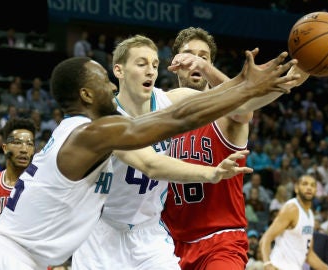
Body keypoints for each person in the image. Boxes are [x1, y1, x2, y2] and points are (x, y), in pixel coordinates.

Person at [0, 45, 299, 268]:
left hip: (45, 251)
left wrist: (243, 85)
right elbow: (174, 125)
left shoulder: (85, 129)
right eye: (102, 80)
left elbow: (201, 108)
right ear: (86, 95)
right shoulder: (89, 133)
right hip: (15, 254)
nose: (110, 86)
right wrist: (245, 87)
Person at [72, 35, 251, 270]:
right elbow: (151, 165)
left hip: (150, 233)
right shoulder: (105, 119)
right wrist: (212, 173)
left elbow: (241, 108)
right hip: (103, 230)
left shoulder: (169, 102)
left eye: (155, 65)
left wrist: (269, 87)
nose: (150, 71)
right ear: (119, 70)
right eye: (141, 64)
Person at [161, 27, 308, 270]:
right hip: (167, 242)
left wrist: (205, 68)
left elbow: (243, 109)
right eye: (189, 54)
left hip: (221, 241)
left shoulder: (225, 113)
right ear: (175, 61)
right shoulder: (163, 109)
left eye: (204, 56)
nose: (196, 60)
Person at [259, 175, 328, 270]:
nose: (309, 187)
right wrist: (267, 264)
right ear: (296, 189)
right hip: (279, 266)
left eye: (313, 185)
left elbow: (309, 255)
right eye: (305, 184)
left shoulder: (310, 214)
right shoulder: (291, 209)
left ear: (316, 191)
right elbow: (265, 239)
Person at [0, 117, 36, 216]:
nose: (24, 149)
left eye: (29, 144)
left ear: (33, 150)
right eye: (17, 143)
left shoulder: (41, 185)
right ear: (5, 148)